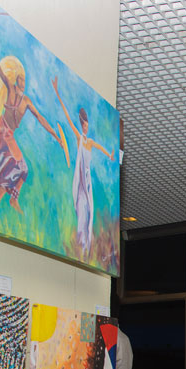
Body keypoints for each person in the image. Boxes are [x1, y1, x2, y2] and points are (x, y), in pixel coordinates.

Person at [0, 2, 63, 222]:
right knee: (10, 170)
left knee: (23, 170)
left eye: (24, 79)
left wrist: (56, 136)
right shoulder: (11, 90)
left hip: (10, 136)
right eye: (21, 78)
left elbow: (40, 119)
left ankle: (11, 201)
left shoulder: (26, 100)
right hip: (4, 135)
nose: (23, 81)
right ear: (17, 78)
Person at [52, 77, 115, 258]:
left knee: (89, 215)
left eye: (87, 125)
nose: (86, 128)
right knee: (81, 213)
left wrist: (110, 156)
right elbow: (67, 117)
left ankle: (87, 248)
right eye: (84, 125)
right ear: (82, 124)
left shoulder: (90, 142)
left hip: (87, 183)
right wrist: (57, 92)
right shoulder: (80, 138)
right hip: (80, 182)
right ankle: (81, 247)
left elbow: (102, 149)